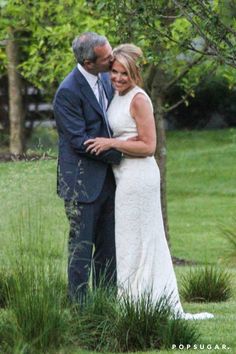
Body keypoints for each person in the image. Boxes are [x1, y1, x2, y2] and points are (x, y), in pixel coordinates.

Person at [85, 44, 214, 320]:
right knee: (130, 240)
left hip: (138, 176)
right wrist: (122, 140)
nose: (118, 78)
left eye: (124, 74)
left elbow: (149, 146)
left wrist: (112, 142)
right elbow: (131, 134)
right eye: (114, 72)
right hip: (124, 176)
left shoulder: (139, 99)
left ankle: (145, 303)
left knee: (140, 240)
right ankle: (136, 302)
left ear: (135, 74)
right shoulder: (117, 95)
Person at [53, 32, 122, 303]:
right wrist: (122, 153)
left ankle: (105, 307)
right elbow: (81, 142)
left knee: (108, 250)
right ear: (88, 61)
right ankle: (80, 310)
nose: (112, 60)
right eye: (107, 58)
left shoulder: (106, 79)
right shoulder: (67, 92)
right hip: (81, 184)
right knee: (81, 250)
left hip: (109, 181)